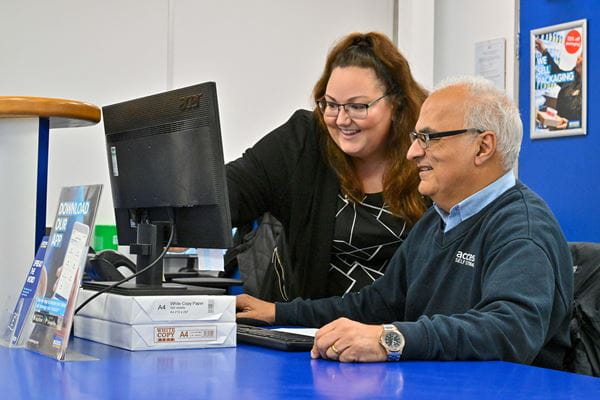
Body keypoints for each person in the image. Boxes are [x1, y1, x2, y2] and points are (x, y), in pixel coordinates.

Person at [236, 76, 574, 370]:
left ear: (483, 146)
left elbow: (510, 331)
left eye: (428, 138)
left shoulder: (522, 229)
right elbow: (374, 305)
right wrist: (278, 314)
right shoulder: (437, 221)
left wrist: (392, 340)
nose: (412, 152)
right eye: (415, 138)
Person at [226, 32, 428, 300]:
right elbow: (233, 189)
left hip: (398, 331)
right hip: (306, 330)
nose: (342, 120)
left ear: (397, 102)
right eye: (331, 104)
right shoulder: (305, 139)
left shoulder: (427, 153)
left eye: (358, 106)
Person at [534, 38, 582, 130]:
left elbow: (593, 121)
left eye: (581, 57)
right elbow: (556, 74)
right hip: (558, 130)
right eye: (579, 56)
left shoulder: (593, 87)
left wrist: (570, 125)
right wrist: (544, 52)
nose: (577, 58)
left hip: (576, 135)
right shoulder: (573, 76)